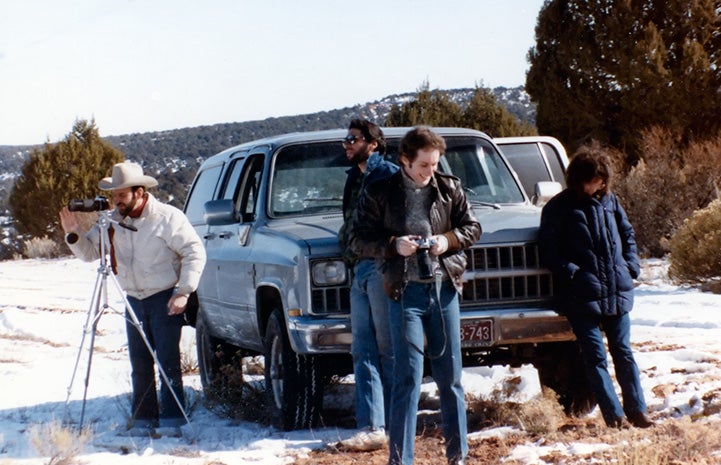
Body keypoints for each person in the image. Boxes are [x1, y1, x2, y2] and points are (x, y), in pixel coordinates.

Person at [349, 126, 481, 465]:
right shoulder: (381, 191)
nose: (430, 172)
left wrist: (445, 241)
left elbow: (472, 228)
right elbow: (357, 240)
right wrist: (394, 246)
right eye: (424, 165)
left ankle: (458, 457)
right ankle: (400, 460)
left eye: (435, 164)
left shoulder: (449, 188)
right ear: (405, 160)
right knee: (407, 377)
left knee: (450, 378)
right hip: (403, 293)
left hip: (443, 290)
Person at [59, 161, 206, 435]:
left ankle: (175, 422)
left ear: (139, 192)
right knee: (139, 364)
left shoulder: (167, 217)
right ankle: (143, 420)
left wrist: (183, 291)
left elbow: (194, 252)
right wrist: (73, 233)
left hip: (164, 297)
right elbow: (90, 254)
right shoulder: (112, 221)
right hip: (133, 300)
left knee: (167, 362)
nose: (117, 201)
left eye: (122, 195)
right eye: (115, 195)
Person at [538, 146, 654, 429]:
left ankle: (638, 412)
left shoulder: (611, 201)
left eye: (601, 180)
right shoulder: (557, 208)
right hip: (581, 297)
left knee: (623, 352)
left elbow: (627, 234)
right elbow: (549, 252)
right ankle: (614, 418)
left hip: (617, 289)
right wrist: (573, 274)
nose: (598, 185)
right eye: (592, 180)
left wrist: (630, 266)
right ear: (578, 178)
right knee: (595, 357)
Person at [337, 119, 398, 451]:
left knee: (387, 347)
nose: (346, 144)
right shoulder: (353, 178)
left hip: (381, 266)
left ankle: (392, 421)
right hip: (358, 268)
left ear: (373, 144)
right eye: (345, 139)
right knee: (362, 348)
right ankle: (371, 425)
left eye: (352, 139)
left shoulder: (386, 176)